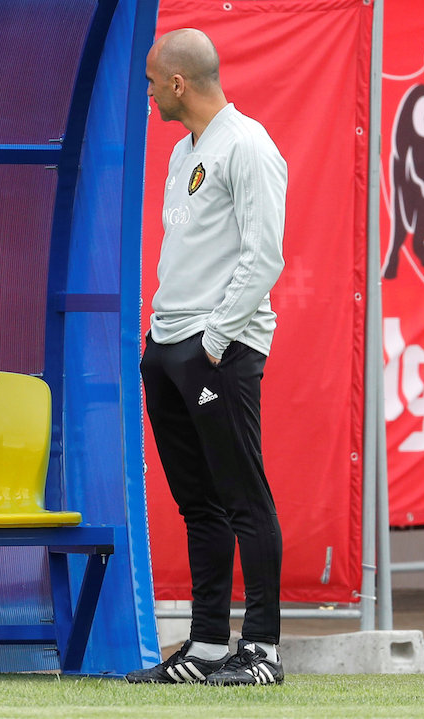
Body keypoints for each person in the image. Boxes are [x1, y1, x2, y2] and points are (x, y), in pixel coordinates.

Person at [128, 29, 287, 686]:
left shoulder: (249, 146)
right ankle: (207, 645)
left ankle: (265, 651)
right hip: (166, 344)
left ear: (177, 84)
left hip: (217, 349)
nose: (145, 93)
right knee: (199, 503)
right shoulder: (182, 151)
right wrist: (165, 341)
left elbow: (264, 256)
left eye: (148, 82)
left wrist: (214, 342)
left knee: (243, 494)